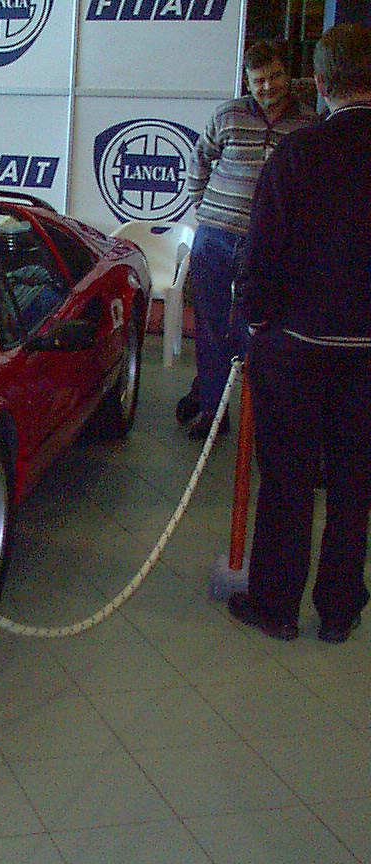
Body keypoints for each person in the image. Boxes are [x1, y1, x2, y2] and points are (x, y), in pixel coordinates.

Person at [228, 23, 371, 643]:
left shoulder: (300, 153)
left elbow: (263, 256)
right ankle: (339, 611)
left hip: (297, 346)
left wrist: (257, 322)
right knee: (355, 482)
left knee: (286, 478)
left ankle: (276, 605)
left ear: (321, 82)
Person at [179, 40, 316, 439]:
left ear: (286, 75)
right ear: (247, 80)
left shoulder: (307, 125)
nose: (268, 87)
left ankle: (255, 417)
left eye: (274, 77)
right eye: (259, 80)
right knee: (209, 324)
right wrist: (202, 206)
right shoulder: (227, 115)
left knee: (255, 331)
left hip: (269, 248)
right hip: (216, 238)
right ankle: (211, 410)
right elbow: (199, 159)